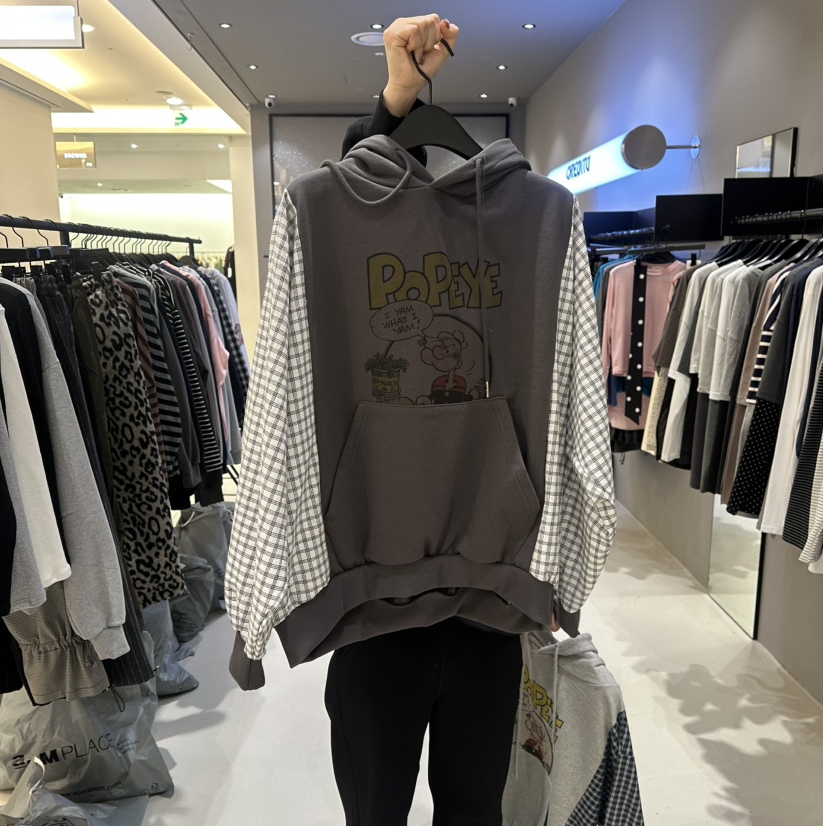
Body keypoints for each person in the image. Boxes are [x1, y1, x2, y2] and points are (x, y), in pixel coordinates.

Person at [326, 15, 557, 826]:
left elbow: (569, 421)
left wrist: (558, 570)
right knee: (375, 811)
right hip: (373, 607)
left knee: (474, 811)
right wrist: (395, 99)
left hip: (488, 604)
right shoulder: (332, 219)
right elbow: (354, 191)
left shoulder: (537, 224)